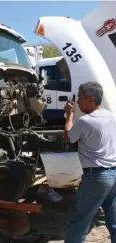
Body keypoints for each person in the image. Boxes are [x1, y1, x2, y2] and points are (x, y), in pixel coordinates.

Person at [63, 82, 116, 243]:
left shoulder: (86, 121)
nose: (77, 102)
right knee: (113, 219)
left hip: (96, 177)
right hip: (112, 173)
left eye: (80, 98)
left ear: (91, 99)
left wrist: (69, 114)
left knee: (80, 222)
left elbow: (68, 137)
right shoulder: (110, 115)